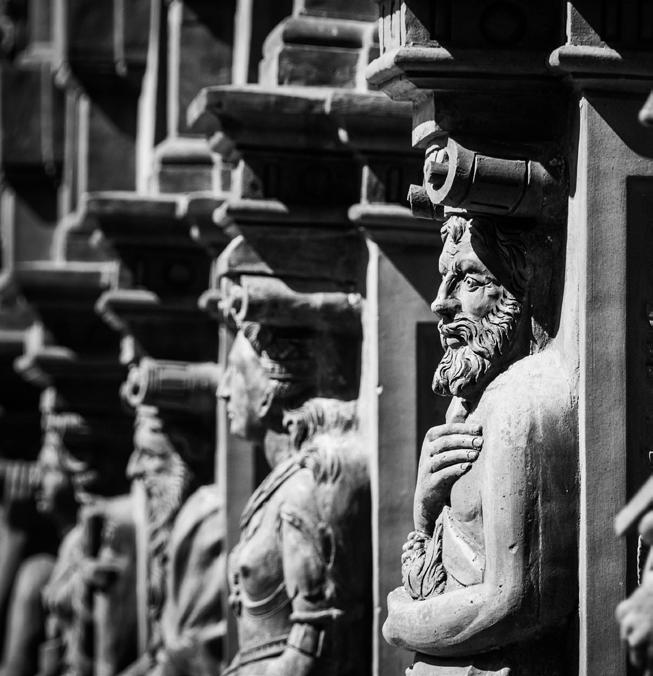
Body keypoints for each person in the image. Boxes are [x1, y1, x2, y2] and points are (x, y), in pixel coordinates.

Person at [384, 215, 577, 675]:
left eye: (469, 281)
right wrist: (425, 511)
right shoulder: (469, 405)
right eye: (443, 278)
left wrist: (397, 622)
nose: (440, 302)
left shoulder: (519, 404)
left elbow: (514, 602)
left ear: (518, 289)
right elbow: (444, 571)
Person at [218, 321, 371, 676]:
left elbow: (317, 649)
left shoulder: (305, 488)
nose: (223, 390)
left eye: (235, 373)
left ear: (268, 392)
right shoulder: (280, 487)